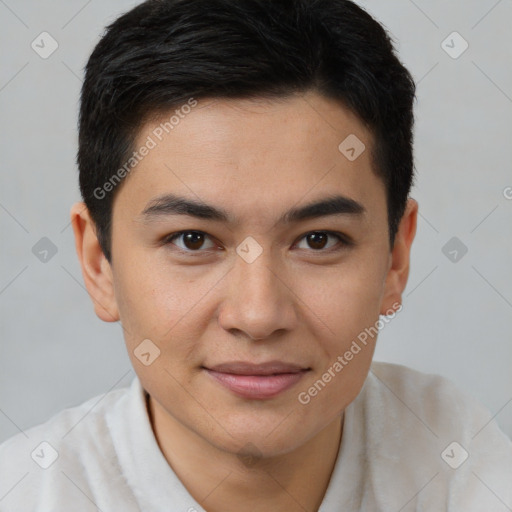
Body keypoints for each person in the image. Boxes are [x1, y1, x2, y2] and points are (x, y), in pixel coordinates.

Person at [1, 0, 510, 510]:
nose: (258, 315)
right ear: (98, 263)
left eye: (319, 240)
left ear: (396, 259)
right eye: (193, 240)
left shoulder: (465, 469)